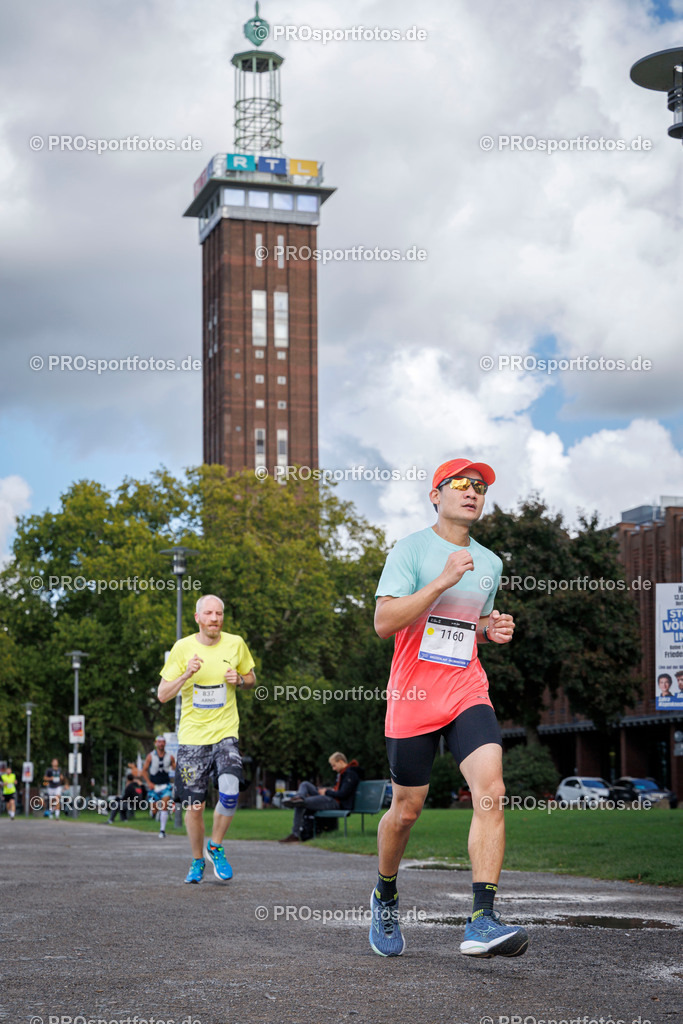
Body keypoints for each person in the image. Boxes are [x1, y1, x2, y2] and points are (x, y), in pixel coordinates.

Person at [369, 458, 529, 959]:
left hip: (465, 689)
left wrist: (491, 628)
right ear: (435, 495)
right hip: (413, 696)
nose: (472, 492)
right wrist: (439, 581)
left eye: (479, 486)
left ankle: (482, 918)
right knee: (406, 811)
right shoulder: (411, 549)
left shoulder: (491, 562)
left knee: (491, 790)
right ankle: (385, 894)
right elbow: (383, 622)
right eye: (460, 484)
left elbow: (470, 624)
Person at [158, 594, 256, 884]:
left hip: (226, 733)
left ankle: (215, 845)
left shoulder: (236, 643)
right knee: (195, 806)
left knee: (230, 789)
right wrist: (187, 673)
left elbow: (251, 678)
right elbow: (163, 695)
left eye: (219, 613)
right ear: (197, 617)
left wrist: (239, 679)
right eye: (209, 613)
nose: (215, 618)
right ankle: (198, 859)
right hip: (191, 739)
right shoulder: (182, 648)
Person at [278, 753, 362, 843]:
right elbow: (338, 790)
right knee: (305, 784)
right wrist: (326, 790)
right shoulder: (342, 774)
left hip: (336, 802)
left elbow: (343, 794)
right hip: (331, 798)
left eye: (334, 765)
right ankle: (299, 797)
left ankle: (295, 834)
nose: (333, 769)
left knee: (301, 803)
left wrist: (326, 792)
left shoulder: (350, 774)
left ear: (340, 762)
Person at [141, 736, 176, 838]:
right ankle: (154, 812)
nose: (161, 744)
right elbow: (144, 771)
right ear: (156, 743)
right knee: (155, 809)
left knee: (164, 806)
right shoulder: (150, 756)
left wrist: (176, 768)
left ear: (165, 744)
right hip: (154, 786)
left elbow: (175, 768)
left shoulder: (170, 757)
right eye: (159, 742)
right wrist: (148, 783)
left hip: (165, 785)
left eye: (163, 742)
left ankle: (162, 830)